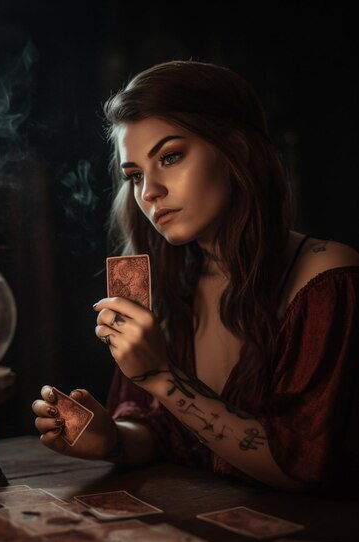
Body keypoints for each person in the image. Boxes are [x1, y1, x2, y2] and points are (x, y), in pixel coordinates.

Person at [32, 60, 359, 493]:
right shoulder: (167, 284)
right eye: (134, 176)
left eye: (170, 156)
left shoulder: (326, 279)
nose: (149, 192)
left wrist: (160, 375)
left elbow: (301, 465)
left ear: (237, 149)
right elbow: (167, 433)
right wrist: (112, 440)